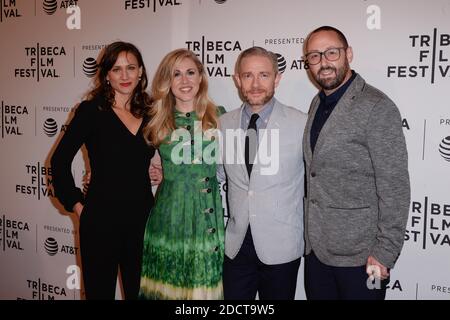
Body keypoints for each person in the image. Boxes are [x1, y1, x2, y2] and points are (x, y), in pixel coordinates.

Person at [302, 26, 411, 300]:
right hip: (317, 252)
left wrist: (384, 252)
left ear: (348, 54)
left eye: (331, 53)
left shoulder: (377, 106)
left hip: (363, 259)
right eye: (314, 56)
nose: (323, 62)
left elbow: (394, 186)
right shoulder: (317, 103)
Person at [51, 41, 156, 300]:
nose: (124, 75)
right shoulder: (91, 111)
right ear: (106, 74)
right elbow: (59, 162)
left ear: (141, 72)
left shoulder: (153, 112)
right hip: (100, 223)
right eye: (116, 68)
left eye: (131, 68)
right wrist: (77, 205)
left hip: (142, 221)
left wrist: (162, 172)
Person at [219, 47, 307, 300]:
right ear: (237, 79)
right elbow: (217, 173)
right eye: (247, 76)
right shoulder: (224, 123)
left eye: (264, 75)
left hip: (281, 247)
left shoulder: (301, 123)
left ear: (277, 78)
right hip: (236, 247)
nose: (255, 84)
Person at [139, 48, 225, 300]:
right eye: (176, 74)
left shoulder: (219, 116)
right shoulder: (155, 119)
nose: (185, 81)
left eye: (190, 73)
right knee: (168, 288)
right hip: (169, 216)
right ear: (167, 81)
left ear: (201, 77)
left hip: (206, 214)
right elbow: (128, 162)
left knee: (202, 290)